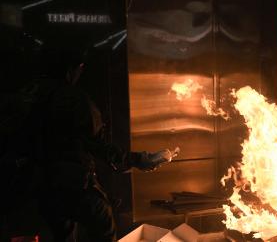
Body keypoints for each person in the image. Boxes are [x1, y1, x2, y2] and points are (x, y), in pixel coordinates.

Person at [0, 47, 178, 242]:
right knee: (103, 221)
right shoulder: (73, 100)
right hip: (69, 184)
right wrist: (141, 160)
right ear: (72, 69)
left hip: (37, 189)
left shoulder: (27, 94)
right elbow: (99, 147)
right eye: (80, 68)